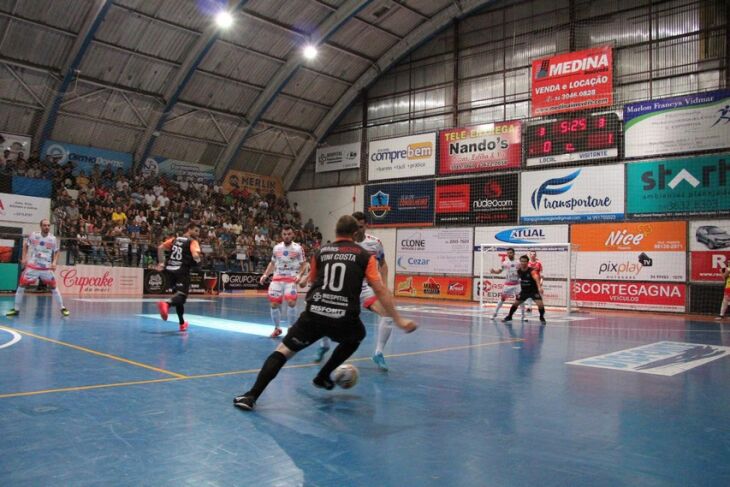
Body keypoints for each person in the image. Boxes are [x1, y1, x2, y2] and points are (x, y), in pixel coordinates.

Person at [233, 215, 417, 411]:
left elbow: (312, 280)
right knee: (357, 336)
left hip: (314, 314)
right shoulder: (364, 256)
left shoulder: (321, 252)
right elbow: (380, 289)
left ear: (336, 232)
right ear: (355, 234)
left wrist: (305, 282)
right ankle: (323, 375)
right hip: (343, 317)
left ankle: (250, 396)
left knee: (283, 352)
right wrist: (398, 320)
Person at [312, 212, 393, 370]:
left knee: (387, 314)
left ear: (365, 226)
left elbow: (383, 264)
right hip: (346, 288)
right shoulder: (343, 244)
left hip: (366, 289)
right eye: (355, 226)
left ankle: (378, 353)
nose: (357, 230)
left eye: (360, 226)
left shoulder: (375, 243)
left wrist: (384, 285)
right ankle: (324, 344)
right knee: (325, 312)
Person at [6, 219, 69, 317]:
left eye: (48, 225)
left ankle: (62, 308)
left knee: (53, 287)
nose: (47, 227)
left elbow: (56, 251)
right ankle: (16, 309)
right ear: (41, 226)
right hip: (33, 267)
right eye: (45, 225)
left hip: (46, 268)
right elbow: (25, 246)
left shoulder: (52, 239)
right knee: (21, 285)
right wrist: (24, 258)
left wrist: (54, 262)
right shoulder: (34, 235)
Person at [259, 224, 308, 338]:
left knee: (291, 302)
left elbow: (303, 264)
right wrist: (265, 274)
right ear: (281, 235)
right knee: (274, 304)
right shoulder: (276, 248)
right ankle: (277, 329)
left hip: (291, 279)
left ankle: (291, 328)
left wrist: (300, 274)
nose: (286, 236)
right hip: (277, 279)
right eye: (284, 234)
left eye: (289, 234)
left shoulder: (298, 248)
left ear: (293, 235)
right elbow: (272, 263)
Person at [156, 223, 201, 332]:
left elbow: (160, 248)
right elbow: (195, 255)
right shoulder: (192, 242)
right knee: (182, 296)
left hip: (170, 270)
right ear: (189, 229)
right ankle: (166, 304)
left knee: (178, 297)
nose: (198, 233)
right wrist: (199, 262)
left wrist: (162, 262)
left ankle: (182, 323)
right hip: (181, 271)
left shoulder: (175, 240)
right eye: (196, 230)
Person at [503, 255, 546, 324]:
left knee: (540, 305)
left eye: (525, 261)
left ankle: (541, 317)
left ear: (527, 262)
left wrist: (539, 287)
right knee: (515, 304)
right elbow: (516, 278)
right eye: (522, 261)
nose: (523, 263)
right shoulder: (518, 271)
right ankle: (509, 316)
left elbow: (536, 278)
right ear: (520, 262)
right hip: (524, 291)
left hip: (533, 291)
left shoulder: (532, 271)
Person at [489, 247, 525, 321]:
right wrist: (494, 271)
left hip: (517, 284)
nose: (509, 254)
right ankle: (494, 314)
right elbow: (499, 271)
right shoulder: (505, 263)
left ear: (514, 253)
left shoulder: (518, 263)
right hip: (508, 284)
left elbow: (523, 271)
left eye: (510, 253)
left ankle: (523, 316)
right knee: (502, 299)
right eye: (508, 253)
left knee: (520, 300)